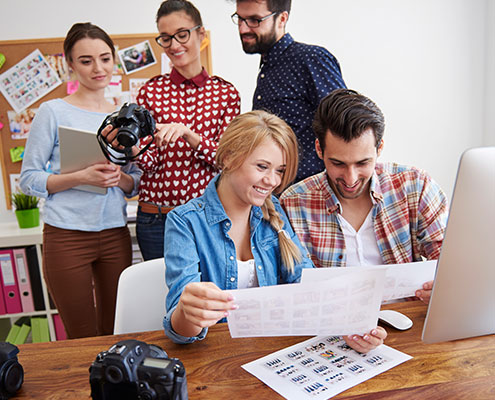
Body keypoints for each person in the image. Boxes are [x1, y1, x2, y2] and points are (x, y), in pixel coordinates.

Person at [163, 110, 387, 352]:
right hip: (214, 357)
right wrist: (189, 312)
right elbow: (181, 333)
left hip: (268, 352)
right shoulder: (184, 222)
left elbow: (305, 282)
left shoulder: (275, 212)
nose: (272, 181)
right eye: (262, 167)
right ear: (227, 158)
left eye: (280, 170)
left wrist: (350, 324)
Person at [19, 23, 142, 338]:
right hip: (67, 237)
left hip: (115, 234)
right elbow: (29, 179)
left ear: (114, 60)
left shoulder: (123, 115)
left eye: (104, 58)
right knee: (82, 336)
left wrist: (120, 179)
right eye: (86, 61)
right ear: (70, 64)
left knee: (118, 331)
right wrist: (79, 177)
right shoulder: (53, 111)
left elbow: (135, 183)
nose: (98, 68)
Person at [280, 89, 449, 304]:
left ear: (380, 148)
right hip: (333, 327)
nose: (350, 179)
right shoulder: (293, 203)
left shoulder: (414, 186)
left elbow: (448, 263)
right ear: (319, 150)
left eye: (363, 163)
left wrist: (442, 286)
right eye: (338, 163)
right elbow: (289, 287)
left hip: (406, 322)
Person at [135, 0, 241, 260]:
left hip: (206, 217)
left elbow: (227, 160)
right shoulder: (150, 92)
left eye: (182, 34)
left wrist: (188, 134)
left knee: (211, 295)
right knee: (162, 299)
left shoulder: (226, 94)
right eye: (166, 38)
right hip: (156, 219)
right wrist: (130, 146)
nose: (174, 45)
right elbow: (147, 163)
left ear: (200, 34)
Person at [232, 0, 346, 182]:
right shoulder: (267, 69)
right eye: (240, 19)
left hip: (311, 197)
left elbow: (344, 126)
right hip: (276, 194)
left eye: (255, 20)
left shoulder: (311, 59)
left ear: (282, 19)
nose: (244, 29)